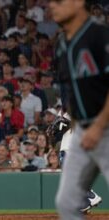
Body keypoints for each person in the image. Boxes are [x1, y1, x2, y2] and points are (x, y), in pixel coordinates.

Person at [50, 0, 109, 219]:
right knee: (67, 203)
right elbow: (73, 91)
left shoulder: (99, 35)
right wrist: (66, 116)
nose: (52, 6)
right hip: (82, 126)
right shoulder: (63, 45)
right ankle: (87, 196)